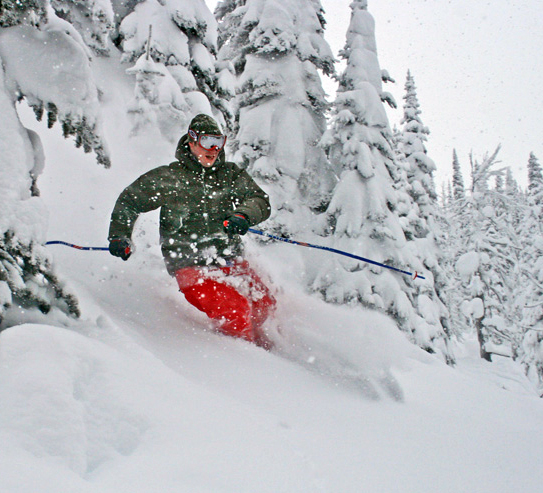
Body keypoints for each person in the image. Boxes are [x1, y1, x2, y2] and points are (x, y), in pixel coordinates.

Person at [108, 114, 276, 347]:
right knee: (236, 310)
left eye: (219, 142)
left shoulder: (229, 175)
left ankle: (265, 347)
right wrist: (119, 235)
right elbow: (131, 200)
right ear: (192, 140)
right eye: (208, 142)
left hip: (227, 257)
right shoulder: (171, 177)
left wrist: (243, 215)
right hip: (189, 264)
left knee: (264, 303)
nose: (214, 149)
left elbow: (259, 199)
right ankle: (243, 359)